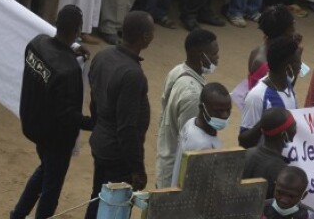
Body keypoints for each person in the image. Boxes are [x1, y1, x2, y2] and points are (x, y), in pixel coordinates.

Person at [12, 5, 90, 219]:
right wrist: (94, 123)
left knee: (45, 171)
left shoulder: (36, 44)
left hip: (34, 125)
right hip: (56, 138)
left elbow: (48, 69)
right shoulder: (68, 70)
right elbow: (69, 115)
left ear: (56, 23)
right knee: (51, 189)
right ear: (78, 30)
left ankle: (17, 215)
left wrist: (70, 52)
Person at [85, 11, 154, 219]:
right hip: (117, 154)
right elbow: (126, 128)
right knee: (115, 207)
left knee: (98, 196)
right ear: (145, 37)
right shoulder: (133, 75)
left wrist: (98, 129)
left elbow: (94, 102)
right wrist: (137, 169)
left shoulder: (102, 56)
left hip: (101, 142)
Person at [154, 29, 219, 187]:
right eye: (214, 54)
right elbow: (189, 141)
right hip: (175, 177)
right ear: (201, 55)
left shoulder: (177, 71)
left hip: (165, 159)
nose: (217, 58)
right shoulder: (193, 96)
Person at [171, 82, 231, 186]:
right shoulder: (204, 147)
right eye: (218, 111)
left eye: (228, 110)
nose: (225, 115)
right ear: (202, 108)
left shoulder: (191, 122)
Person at [243, 108, 297, 199]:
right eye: (294, 126)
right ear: (284, 135)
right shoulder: (281, 170)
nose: (296, 129)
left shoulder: (247, 153)